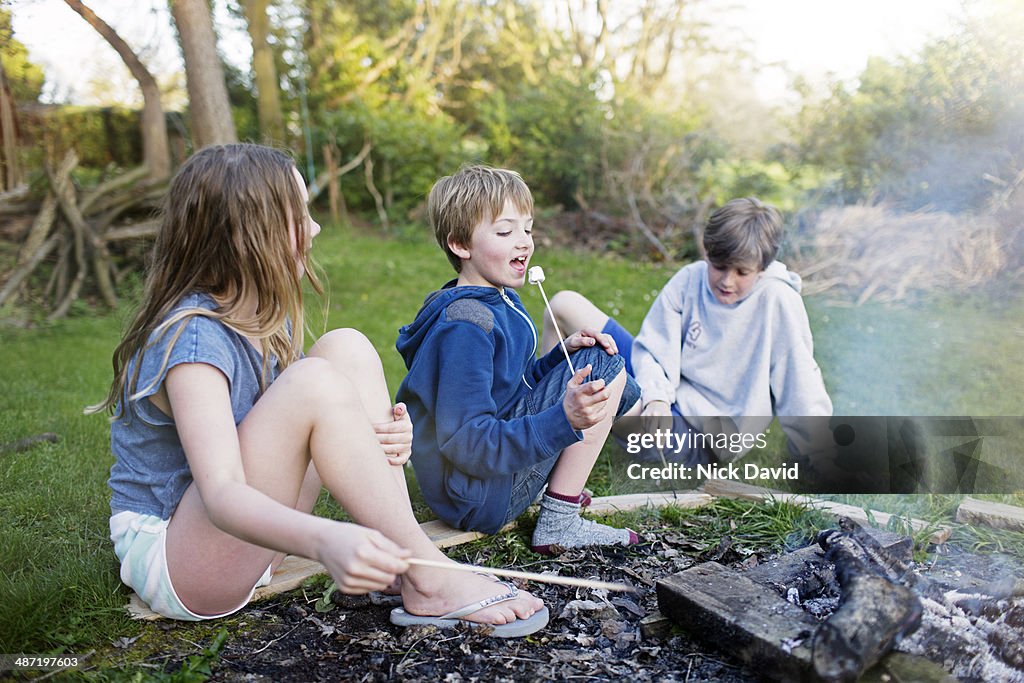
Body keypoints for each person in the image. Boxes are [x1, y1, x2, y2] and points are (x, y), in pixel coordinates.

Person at [89, 144, 546, 637]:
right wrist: (327, 539)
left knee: (343, 349)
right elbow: (221, 496)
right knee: (313, 382)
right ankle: (427, 571)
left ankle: (406, 556)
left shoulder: (260, 312)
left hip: (245, 539)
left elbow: (300, 425)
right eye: (300, 215)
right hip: (182, 563)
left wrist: (383, 437)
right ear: (250, 234)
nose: (316, 228)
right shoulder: (193, 339)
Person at [395, 164, 643, 556]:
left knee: (614, 380)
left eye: (527, 229)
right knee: (605, 370)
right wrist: (563, 419)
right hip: (478, 497)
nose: (524, 242)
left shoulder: (501, 299)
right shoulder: (466, 327)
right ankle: (559, 522)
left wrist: (558, 358)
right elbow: (468, 442)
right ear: (460, 244)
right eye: (505, 231)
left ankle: (559, 487)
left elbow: (509, 387)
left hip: (486, 479)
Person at [541, 197, 832, 464]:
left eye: (742, 272)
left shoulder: (778, 300)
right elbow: (653, 350)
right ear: (707, 254)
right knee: (563, 304)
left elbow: (800, 382)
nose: (727, 281)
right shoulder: (690, 279)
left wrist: (816, 452)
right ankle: (538, 424)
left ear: (762, 268)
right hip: (660, 396)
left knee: (608, 388)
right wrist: (656, 398)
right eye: (718, 266)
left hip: (698, 437)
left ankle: (554, 439)